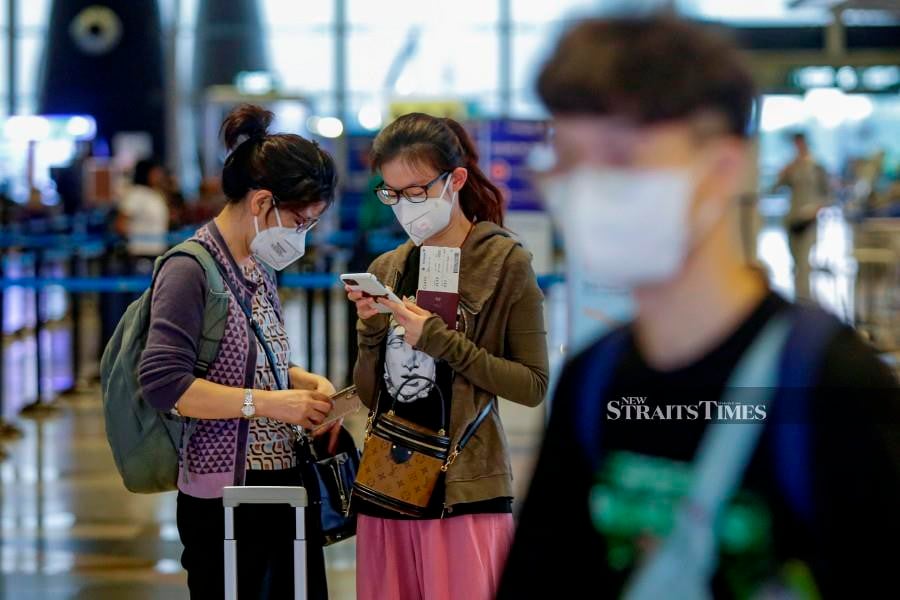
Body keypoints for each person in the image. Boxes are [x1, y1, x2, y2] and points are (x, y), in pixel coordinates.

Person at [499, 16, 899, 599]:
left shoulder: (832, 383)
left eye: (620, 156)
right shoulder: (594, 381)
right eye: (568, 158)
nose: (586, 187)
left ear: (722, 169)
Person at [139, 105, 340, 599]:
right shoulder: (190, 268)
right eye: (299, 221)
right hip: (226, 497)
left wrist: (299, 382)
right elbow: (166, 384)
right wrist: (271, 404)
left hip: (277, 485)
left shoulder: (255, 264)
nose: (301, 236)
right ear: (263, 202)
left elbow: (245, 359)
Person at [346, 113, 550, 600]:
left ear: (455, 180)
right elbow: (376, 397)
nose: (405, 206)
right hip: (391, 479)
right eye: (392, 193)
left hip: (465, 487)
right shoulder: (389, 265)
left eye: (417, 191)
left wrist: (440, 340)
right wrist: (371, 328)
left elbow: (532, 384)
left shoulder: (503, 262)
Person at [772, 132, 830, 302]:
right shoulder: (792, 167)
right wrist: (783, 173)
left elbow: (827, 194)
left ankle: (803, 299)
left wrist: (817, 208)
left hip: (810, 218)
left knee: (804, 263)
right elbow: (775, 188)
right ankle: (798, 297)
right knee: (796, 261)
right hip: (792, 217)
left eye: (800, 143)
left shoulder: (817, 167)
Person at [116, 157, 170, 266]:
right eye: (155, 173)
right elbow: (121, 224)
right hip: (140, 253)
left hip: (157, 251)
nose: (159, 176)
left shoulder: (156, 194)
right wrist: (136, 238)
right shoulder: (135, 194)